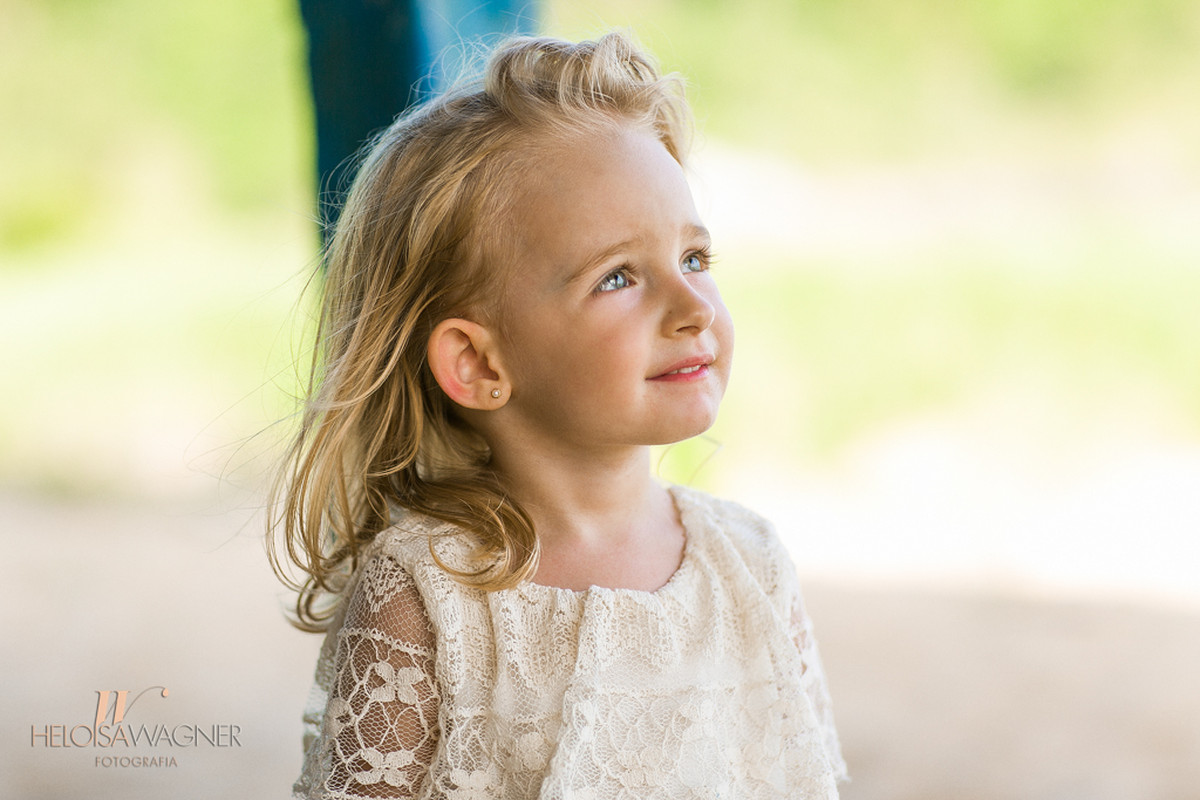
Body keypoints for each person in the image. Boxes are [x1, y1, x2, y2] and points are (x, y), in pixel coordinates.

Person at [271, 31, 848, 799]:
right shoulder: (424, 596)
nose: (691, 307)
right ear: (479, 364)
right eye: (618, 277)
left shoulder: (750, 566)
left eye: (695, 259)